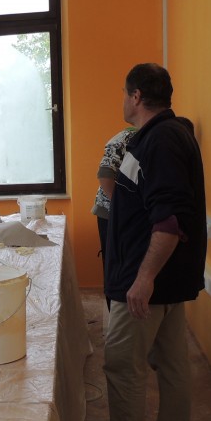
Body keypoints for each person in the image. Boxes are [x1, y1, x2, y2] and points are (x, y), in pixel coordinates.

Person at [77, 63, 207, 421]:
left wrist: (143, 277)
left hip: (146, 284)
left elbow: (168, 220)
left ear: (135, 96)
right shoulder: (164, 136)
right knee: (171, 366)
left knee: (122, 366)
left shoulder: (160, 141)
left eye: (123, 93)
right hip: (165, 281)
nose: (122, 100)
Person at [91, 127, 135, 307]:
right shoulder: (127, 137)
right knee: (115, 267)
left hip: (127, 214)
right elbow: (105, 175)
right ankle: (115, 310)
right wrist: (122, 210)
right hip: (112, 213)